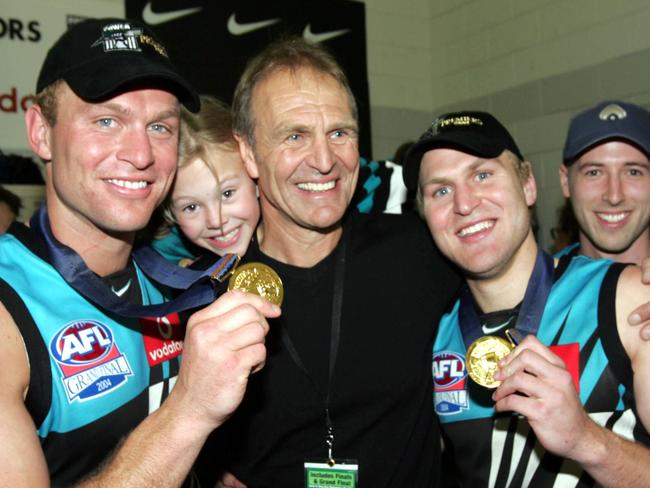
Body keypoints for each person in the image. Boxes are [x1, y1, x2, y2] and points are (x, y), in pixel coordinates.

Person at [0, 18, 278, 486]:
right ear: (41, 131)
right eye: (107, 121)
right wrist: (190, 410)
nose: (141, 153)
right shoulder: (9, 312)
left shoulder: (167, 281)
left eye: (160, 127)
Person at [207, 37, 460, 487]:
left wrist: (622, 266)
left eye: (339, 133)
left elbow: (518, 277)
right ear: (247, 152)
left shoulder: (420, 252)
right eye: (295, 136)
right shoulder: (212, 297)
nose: (324, 161)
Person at [403, 110, 650, 486]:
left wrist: (586, 440)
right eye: (441, 190)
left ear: (528, 184)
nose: (465, 204)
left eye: (482, 175)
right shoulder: (435, 334)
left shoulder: (626, 300)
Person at [154, 95, 260, 264]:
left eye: (227, 193)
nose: (216, 221)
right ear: (169, 212)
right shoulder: (158, 265)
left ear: (254, 168)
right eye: (191, 207)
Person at [560, 100, 650, 265]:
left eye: (633, 172)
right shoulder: (539, 284)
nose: (614, 196)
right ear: (565, 181)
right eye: (594, 173)